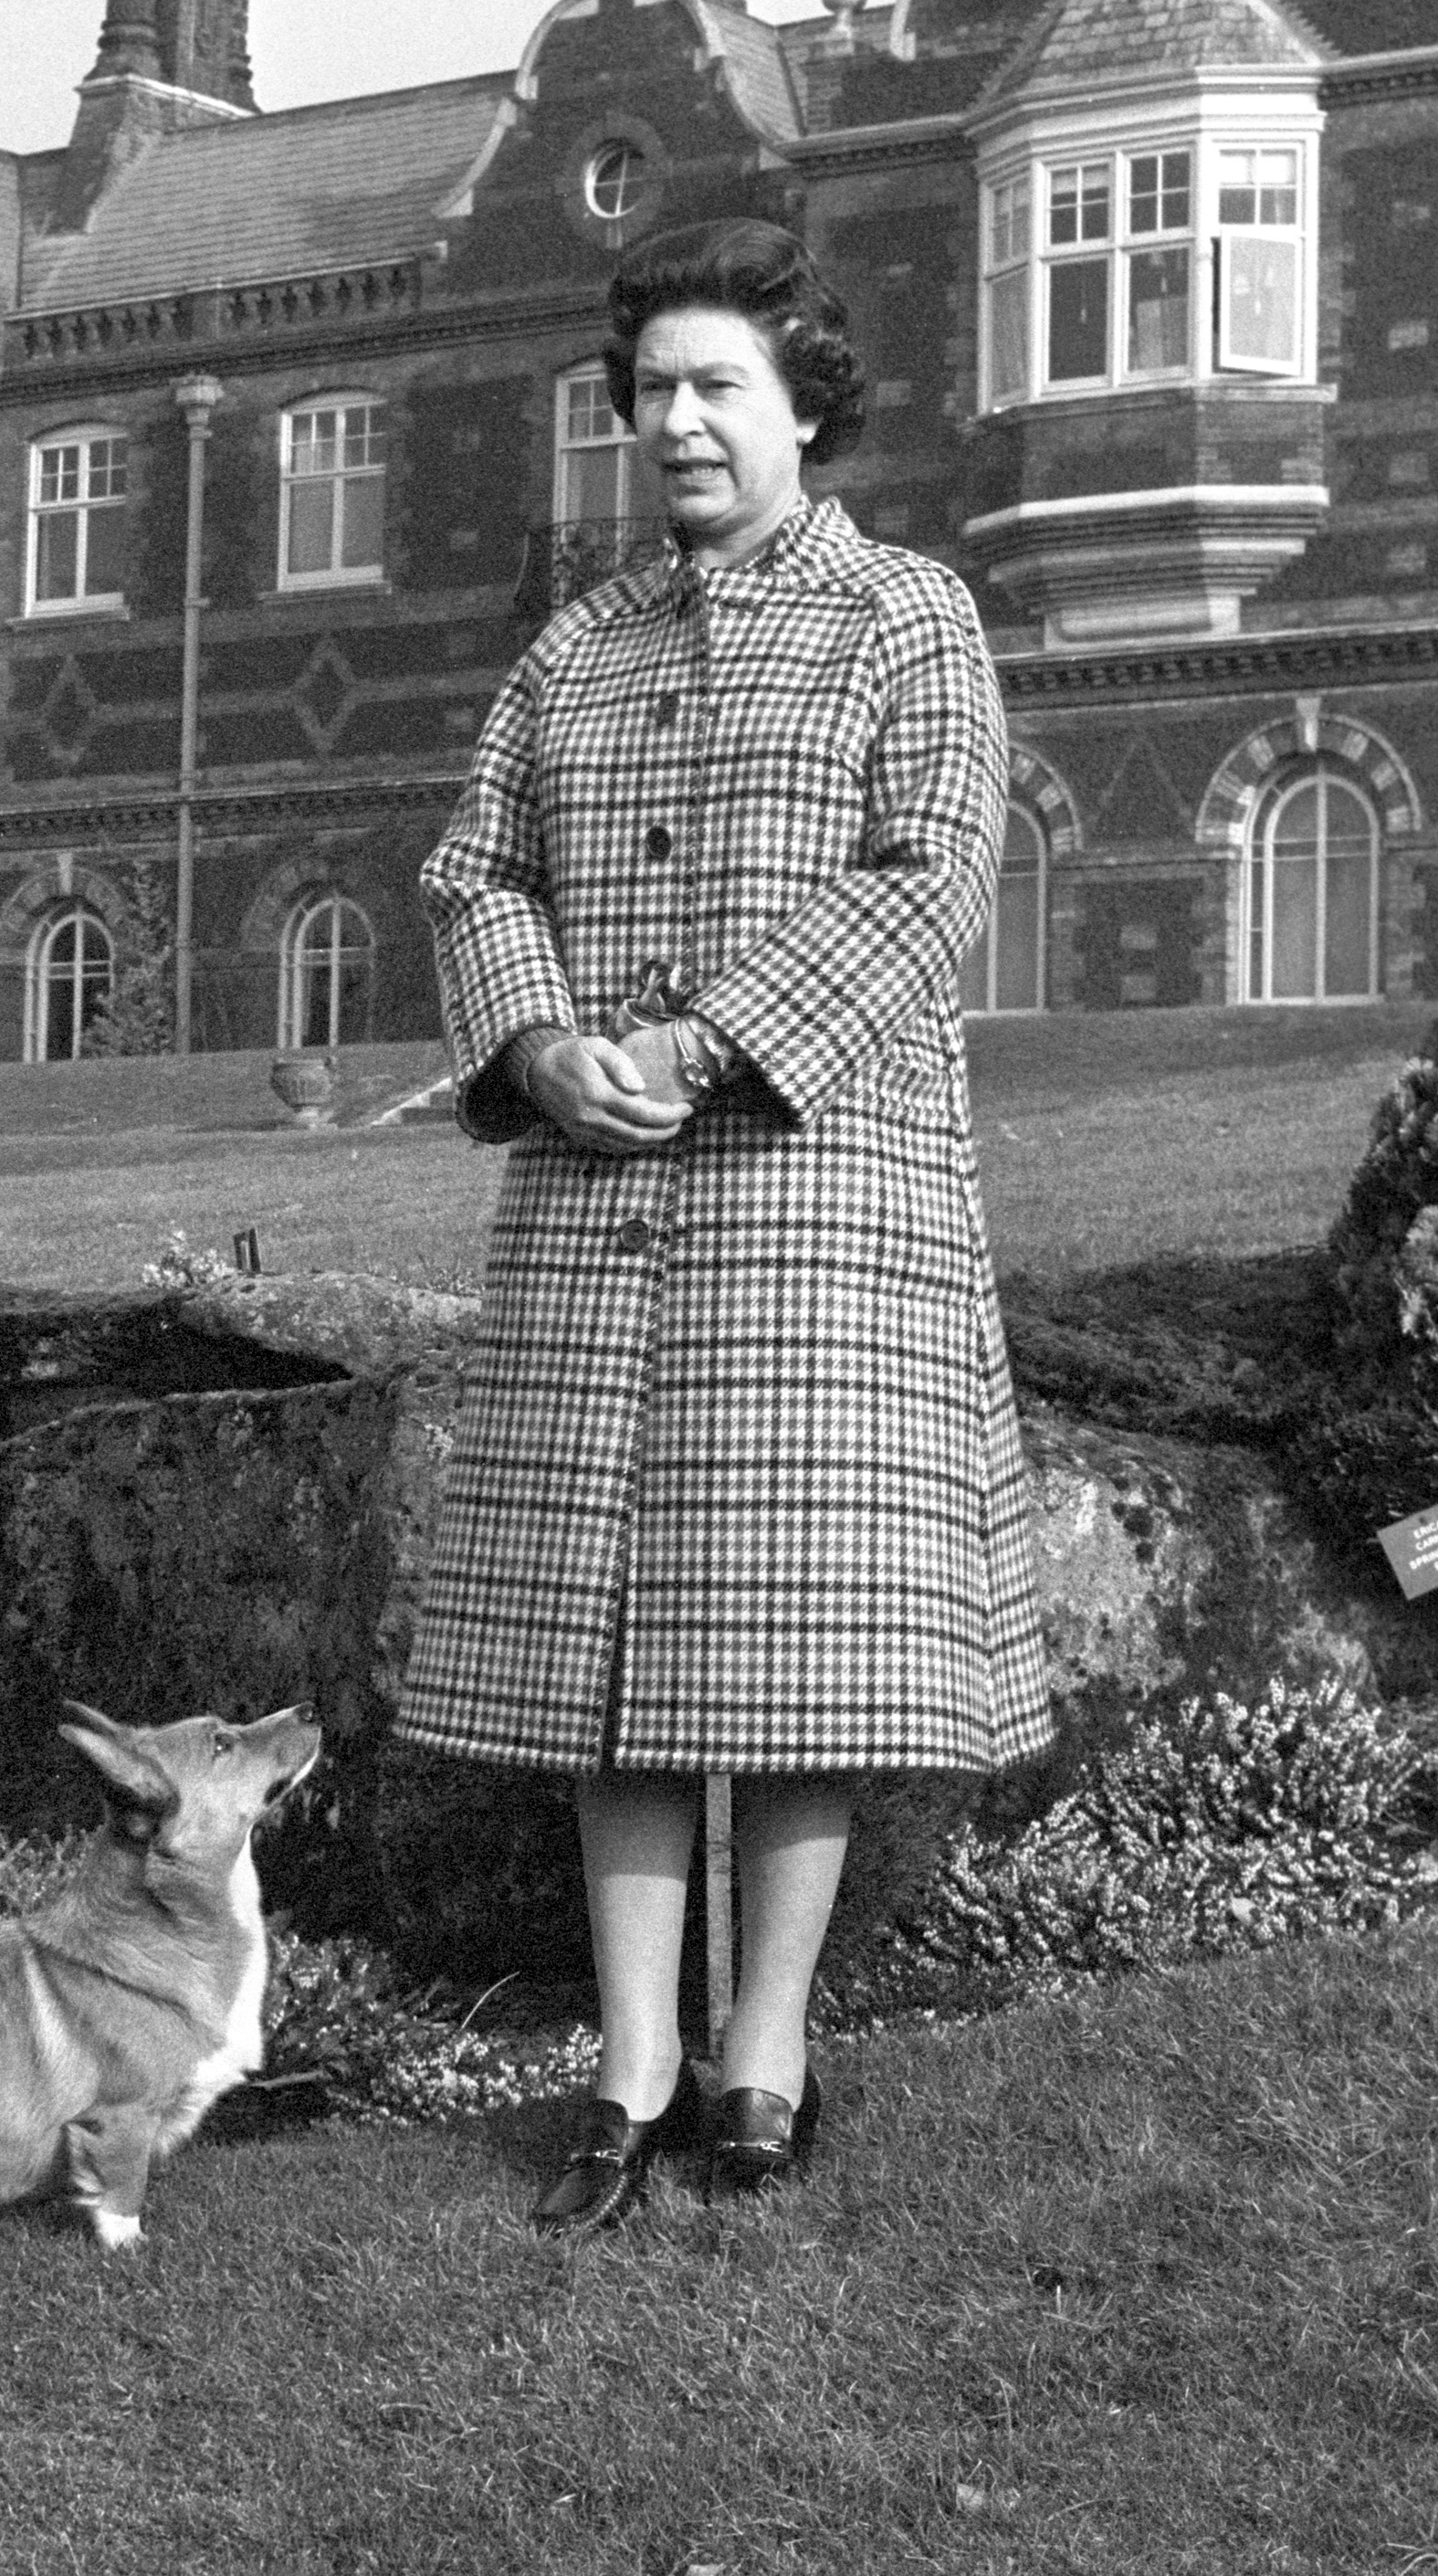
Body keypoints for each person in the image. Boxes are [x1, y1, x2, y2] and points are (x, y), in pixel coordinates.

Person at [395, 215, 1050, 2228]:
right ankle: (631, 2056)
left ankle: (764, 2042)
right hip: (600, 1210)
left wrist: (697, 1046)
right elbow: (468, 865)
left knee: (790, 1649)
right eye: (651, 392)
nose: (678, 422)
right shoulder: (573, 647)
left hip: (818, 1199)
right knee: (606, 1652)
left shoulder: (905, 617)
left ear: (801, 409)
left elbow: (925, 870)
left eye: (718, 389)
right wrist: (532, 1033)